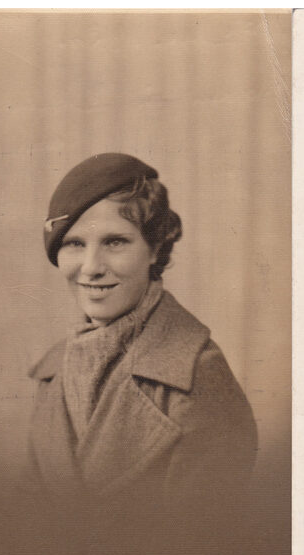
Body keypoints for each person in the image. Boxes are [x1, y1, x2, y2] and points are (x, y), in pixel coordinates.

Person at [28, 153, 257, 503]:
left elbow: (205, 541)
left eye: (115, 242)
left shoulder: (197, 375)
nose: (91, 268)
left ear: (154, 248)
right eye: (75, 244)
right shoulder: (54, 370)